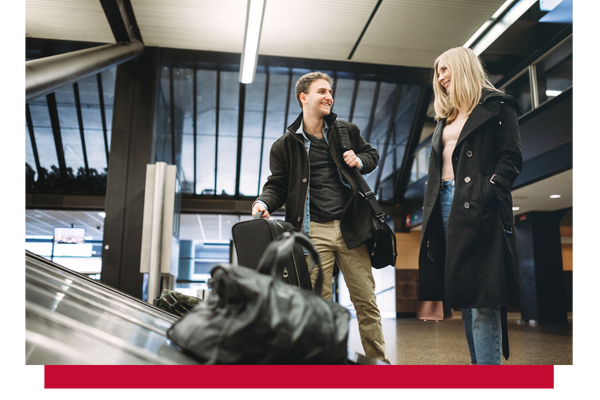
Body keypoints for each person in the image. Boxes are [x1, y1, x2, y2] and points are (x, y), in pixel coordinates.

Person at [252, 71, 390, 363]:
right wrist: (263, 202)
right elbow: (276, 185)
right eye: (322, 91)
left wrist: (360, 160)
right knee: (318, 305)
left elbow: (372, 154)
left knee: (366, 302)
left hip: (352, 228)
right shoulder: (284, 145)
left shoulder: (345, 130)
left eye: (330, 92)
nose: (329, 96)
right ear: (304, 98)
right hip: (312, 232)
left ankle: (380, 363)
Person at [418, 47, 522, 365]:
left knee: (483, 299)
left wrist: (487, 191)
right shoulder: (446, 118)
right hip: (445, 206)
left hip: (481, 208)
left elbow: (511, 158)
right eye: (438, 72)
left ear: (462, 68)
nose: (441, 77)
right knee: (464, 296)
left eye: (445, 69)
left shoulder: (497, 107)